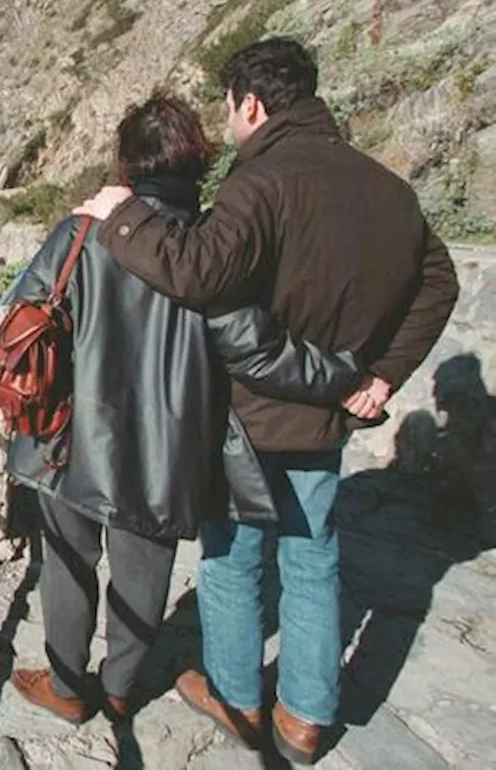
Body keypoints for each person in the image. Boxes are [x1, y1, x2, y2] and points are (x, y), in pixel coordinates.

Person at [74, 38, 459, 764]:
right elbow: (439, 283)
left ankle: (237, 694)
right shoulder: (390, 189)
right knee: (314, 557)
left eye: (230, 109)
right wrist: (382, 373)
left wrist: (122, 215)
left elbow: (194, 270)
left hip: (251, 409)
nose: (231, 125)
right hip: (330, 410)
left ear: (250, 104)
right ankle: (309, 715)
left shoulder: (262, 181)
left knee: (232, 558)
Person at [3, 93, 365, 731]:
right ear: (196, 163)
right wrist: (346, 376)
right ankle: (117, 688)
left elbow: (25, 314)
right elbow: (258, 351)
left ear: (128, 162)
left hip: (70, 437)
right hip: (164, 449)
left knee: (66, 564)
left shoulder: (81, 231)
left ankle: (66, 686)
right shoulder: (213, 247)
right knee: (143, 576)